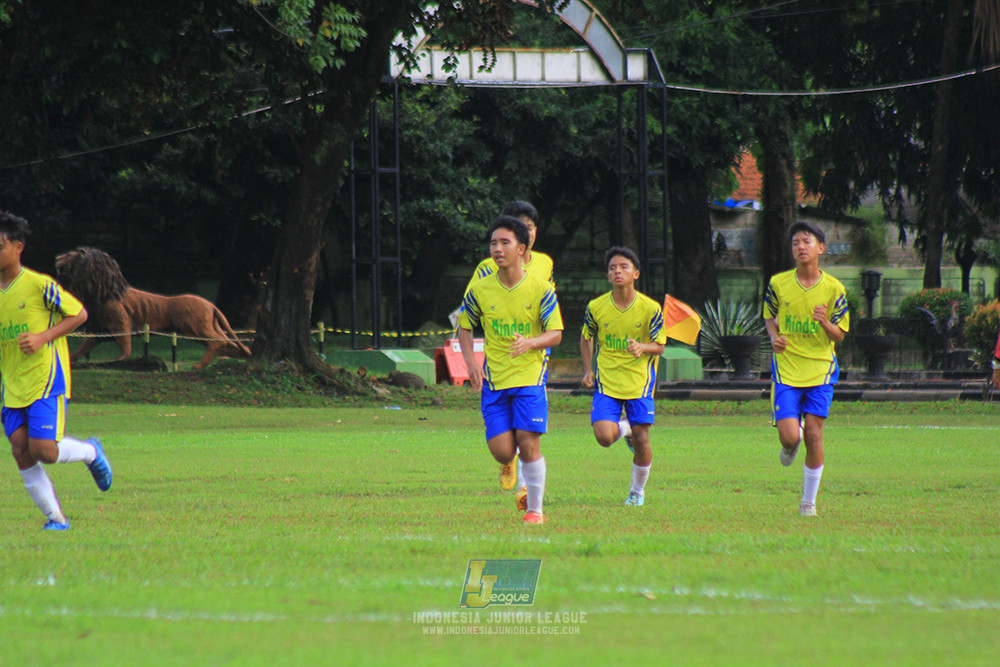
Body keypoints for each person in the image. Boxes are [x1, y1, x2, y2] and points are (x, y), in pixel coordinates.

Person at [0, 211, 112, 531]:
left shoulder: (39, 285)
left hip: (45, 379)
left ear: (18, 247)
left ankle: (91, 452)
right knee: (21, 450)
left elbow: (79, 314)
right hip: (13, 384)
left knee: (44, 451)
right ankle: (56, 519)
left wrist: (43, 337)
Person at [458, 215, 563, 524]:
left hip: (530, 376)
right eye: (493, 243)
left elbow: (556, 333)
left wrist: (530, 343)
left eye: (505, 242)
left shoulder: (540, 288)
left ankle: (535, 510)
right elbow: (464, 328)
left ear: (522, 248)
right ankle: (509, 462)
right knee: (504, 451)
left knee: (529, 443)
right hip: (495, 379)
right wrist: (471, 363)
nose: (498, 249)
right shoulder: (480, 289)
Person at [763, 221, 849, 517]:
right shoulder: (778, 283)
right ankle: (789, 445)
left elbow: (840, 335)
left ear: (820, 249)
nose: (800, 247)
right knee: (791, 437)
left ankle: (808, 502)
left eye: (807, 242)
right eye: (796, 242)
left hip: (820, 371)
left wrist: (825, 322)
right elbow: (769, 317)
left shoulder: (834, 288)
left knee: (813, 435)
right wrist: (775, 337)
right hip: (786, 369)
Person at [580, 247, 666, 506]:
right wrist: (587, 370)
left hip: (639, 383)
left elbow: (660, 345)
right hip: (607, 381)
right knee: (604, 437)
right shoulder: (596, 307)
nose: (617, 271)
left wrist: (643, 347)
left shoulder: (650, 308)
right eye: (612, 268)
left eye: (624, 267)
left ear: (636, 273)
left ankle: (637, 492)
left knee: (642, 440)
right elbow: (586, 337)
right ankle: (625, 427)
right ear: (608, 276)